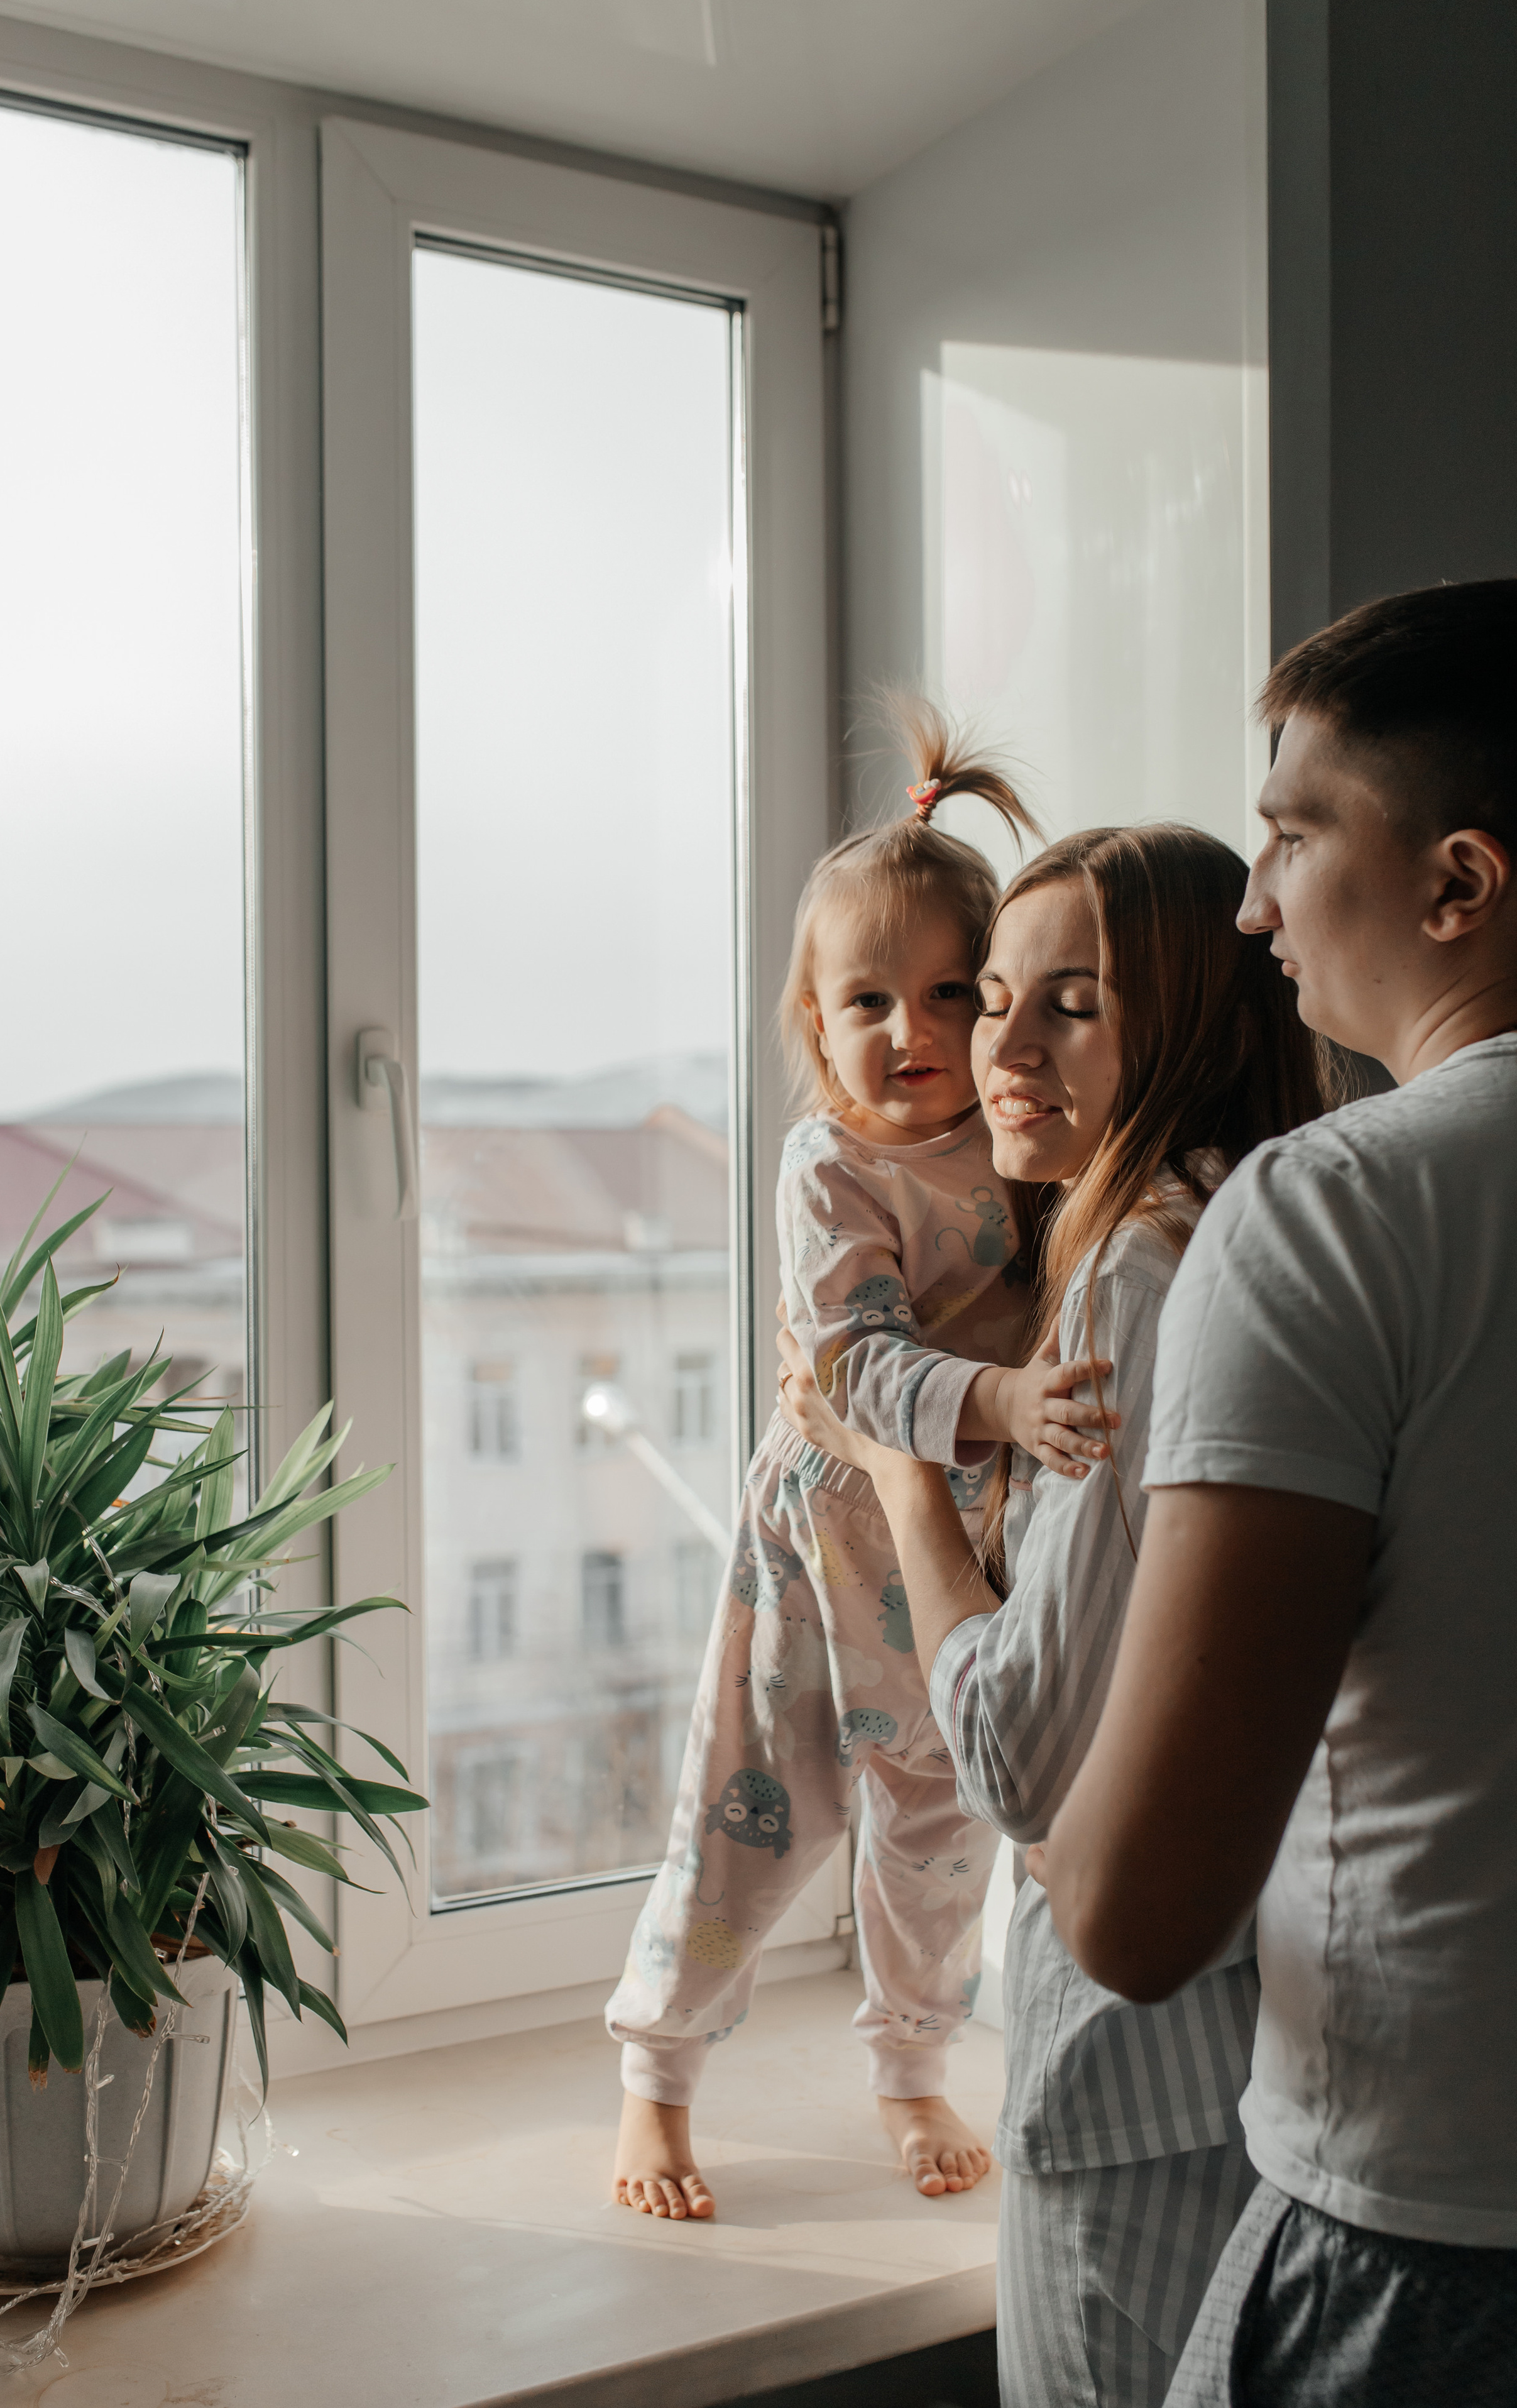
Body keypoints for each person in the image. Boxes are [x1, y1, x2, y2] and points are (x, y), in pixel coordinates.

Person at [1032, 580, 1517, 2404]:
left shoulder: (1338, 1209)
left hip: (1429, 2239)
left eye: (1295, 836)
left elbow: (1137, 1913)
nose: (1255, 904)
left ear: (1458, 883)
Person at [774, 820, 1325, 2404]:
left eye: (1066, 1006)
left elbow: (1018, 1753)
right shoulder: (1232, 1220)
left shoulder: (1133, 1272)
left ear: (1195, 1024)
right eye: (994, 996)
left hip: (1133, 2071)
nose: (993, 1051)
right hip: (1231, 2038)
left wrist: (891, 1463)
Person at [608, 708, 1115, 2221]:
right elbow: (849, 1362)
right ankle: (656, 2072)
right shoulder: (828, 1162)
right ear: (814, 1022)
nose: (912, 1031)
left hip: (958, 1538)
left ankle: (908, 2065)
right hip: (826, 1531)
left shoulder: (1023, 1143)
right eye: (868, 999)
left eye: (950, 992)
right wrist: (1004, 1398)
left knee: (939, 1827)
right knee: (750, 1805)